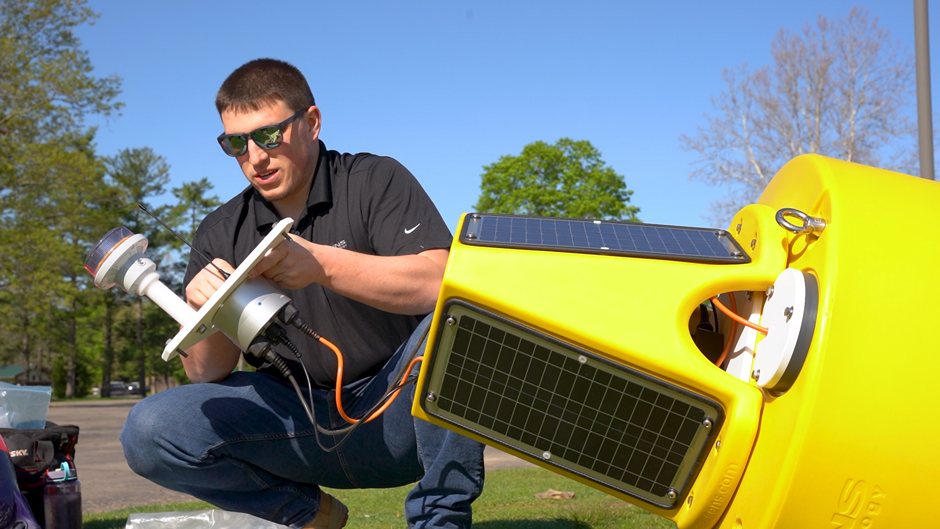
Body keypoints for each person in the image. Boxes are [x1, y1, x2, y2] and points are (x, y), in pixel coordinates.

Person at [120, 58, 485, 529]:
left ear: (311, 123)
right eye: (236, 143)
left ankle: (440, 521)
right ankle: (307, 516)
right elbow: (208, 371)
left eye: (269, 135)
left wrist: (321, 265)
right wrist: (203, 310)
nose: (254, 156)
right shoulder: (218, 231)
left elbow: (438, 285)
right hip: (294, 425)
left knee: (459, 323)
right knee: (150, 429)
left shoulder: (376, 180)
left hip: (400, 414)